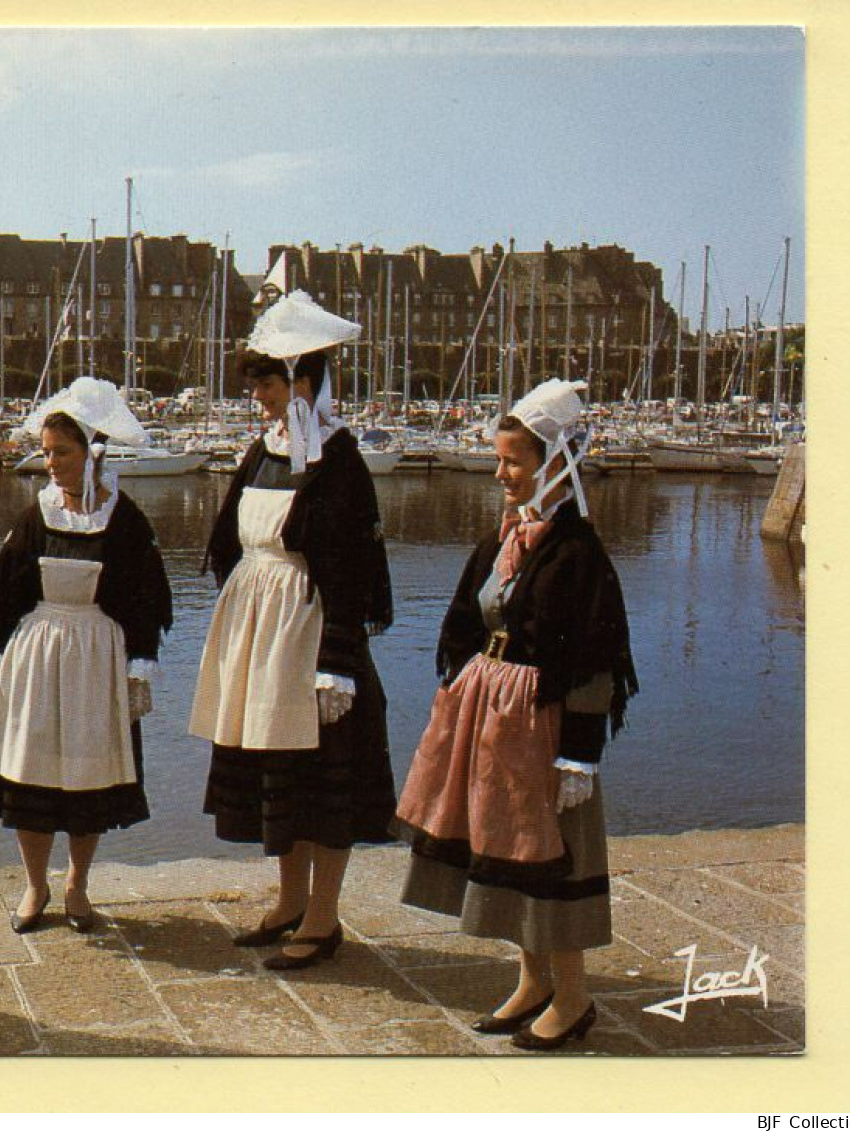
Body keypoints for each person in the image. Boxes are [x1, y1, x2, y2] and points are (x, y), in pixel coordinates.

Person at [392, 378, 639, 1051]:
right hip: (497, 719)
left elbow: (596, 661)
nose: (500, 473)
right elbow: (472, 617)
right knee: (501, 853)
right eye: (499, 460)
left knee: (550, 862)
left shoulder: (578, 553)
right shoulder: (508, 535)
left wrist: (578, 755)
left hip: (547, 730)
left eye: (513, 462)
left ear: (554, 463)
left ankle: (575, 996)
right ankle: (532, 983)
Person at [189, 290, 396, 971]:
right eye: (256, 386)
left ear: (305, 381)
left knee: (325, 776)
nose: (260, 399)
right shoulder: (265, 449)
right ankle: (287, 901)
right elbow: (232, 537)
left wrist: (337, 658)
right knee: (279, 774)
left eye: (269, 384)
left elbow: (350, 566)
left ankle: (325, 915)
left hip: (310, 637)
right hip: (263, 630)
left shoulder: (338, 459)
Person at [0, 377, 173, 934]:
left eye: (62, 452)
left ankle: (77, 885)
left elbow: (144, 599)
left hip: (97, 658)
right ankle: (35, 885)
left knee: (88, 780)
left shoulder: (124, 519)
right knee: (31, 777)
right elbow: (6, 593)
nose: (51, 462)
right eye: (46, 451)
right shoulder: (37, 513)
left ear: (92, 452)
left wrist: (139, 667)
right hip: (38, 655)